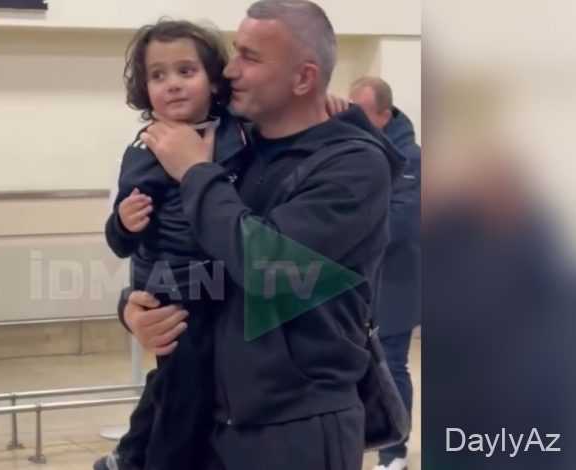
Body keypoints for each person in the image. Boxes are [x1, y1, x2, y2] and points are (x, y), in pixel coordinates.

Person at [118, 1, 405, 469]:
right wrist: (136, 308)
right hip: (211, 416)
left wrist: (195, 172)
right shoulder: (236, 149)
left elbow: (265, 264)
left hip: (296, 427)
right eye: (234, 52)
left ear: (303, 79)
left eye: (249, 57)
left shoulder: (353, 166)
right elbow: (183, 248)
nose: (229, 69)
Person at [97, 19, 250, 470]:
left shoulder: (237, 132)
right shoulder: (143, 150)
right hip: (177, 291)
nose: (173, 84)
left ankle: (128, 458)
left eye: (187, 71)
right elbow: (119, 242)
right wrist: (124, 223)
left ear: (214, 79)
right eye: (158, 75)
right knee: (183, 396)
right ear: (144, 88)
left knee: (173, 386)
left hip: (228, 283)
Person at [349, 76, 420, 470]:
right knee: (358, 365)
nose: (354, 119)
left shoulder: (412, 159)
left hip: (396, 281)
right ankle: (364, 441)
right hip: (360, 281)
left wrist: (348, 229)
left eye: (362, 112)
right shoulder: (360, 148)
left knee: (392, 364)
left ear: (384, 113)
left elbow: (402, 223)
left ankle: (395, 451)